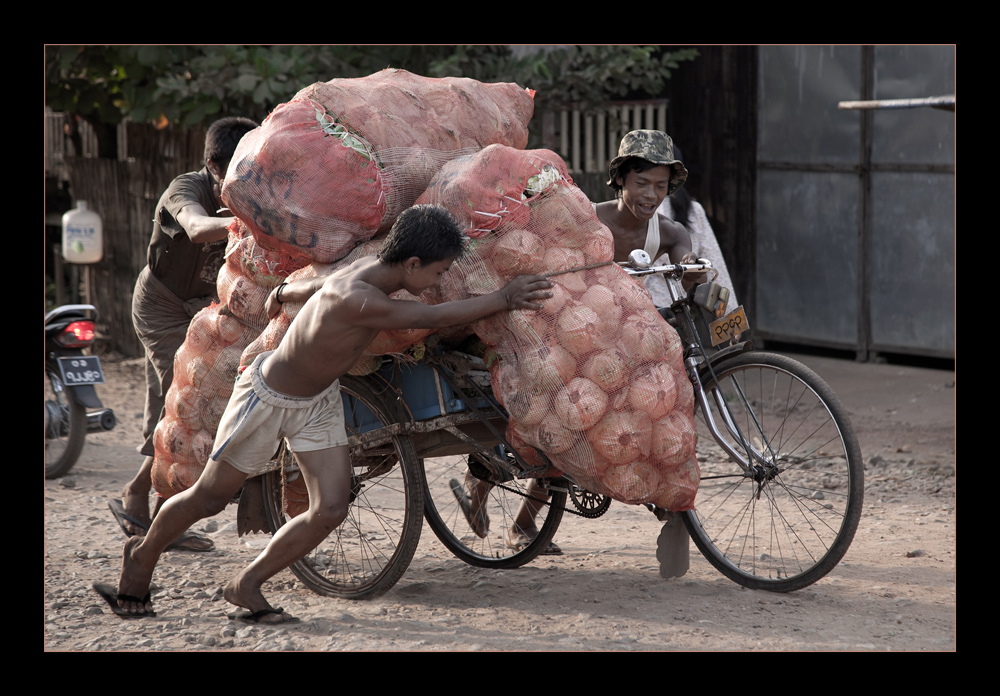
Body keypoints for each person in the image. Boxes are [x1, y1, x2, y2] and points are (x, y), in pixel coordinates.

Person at [94, 204, 554, 622]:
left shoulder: (364, 274)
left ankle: (246, 584)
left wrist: (285, 292)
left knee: (330, 507)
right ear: (411, 264)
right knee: (210, 497)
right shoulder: (361, 298)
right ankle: (141, 556)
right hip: (267, 397)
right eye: (437, 272)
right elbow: (435, 317)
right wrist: (505, 297)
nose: (438, 281)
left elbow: (314, 282)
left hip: (318, 401)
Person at [453, 130, 705, 555]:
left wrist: (691, 270)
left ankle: (522, 525)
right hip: (570, 333)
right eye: (642, 183)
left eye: (661, 187)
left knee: (594, 426)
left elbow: (684, 255)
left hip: (622, 344)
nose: (651, 195)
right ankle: (479, 488)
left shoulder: (669, 231)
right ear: (621, 180)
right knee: (558, 421)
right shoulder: (588, 218)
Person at [109, 117, 259, 553]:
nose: (244, 180)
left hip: (205, 307)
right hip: (161, 304)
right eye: (236, 171)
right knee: (181, 400)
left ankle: (154, 508)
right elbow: (195, 228)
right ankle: (142, 500)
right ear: (214, 166)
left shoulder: (251, 188)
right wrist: (248, 223)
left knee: (202, 400)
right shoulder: (185, 189)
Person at [653, 144, 739, 315]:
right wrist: (729, 317)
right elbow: (715, 265)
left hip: (656, 309)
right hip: (687, 311)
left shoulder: (643, 209)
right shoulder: (693, 209)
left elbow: (711, 263)